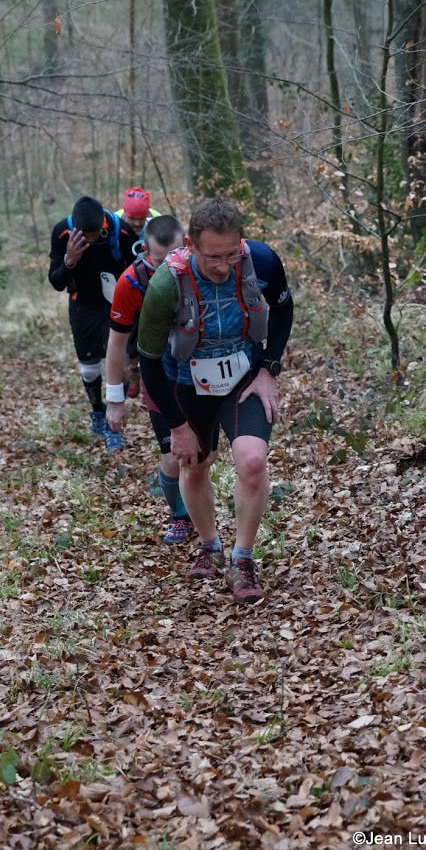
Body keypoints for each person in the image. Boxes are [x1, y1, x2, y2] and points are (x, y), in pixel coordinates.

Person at [136, 198, 294, 605]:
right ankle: (210, 545)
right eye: (212, 258)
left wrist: (269, 369)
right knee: (194, 465)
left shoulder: (261, 261)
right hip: (186, 382)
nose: (224, 267)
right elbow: (149, 360)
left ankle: (243, 559)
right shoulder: (166, 284)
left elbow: (283, 308)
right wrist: (177, 426)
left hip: (245, 377)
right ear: (190, 245)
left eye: (231, 255)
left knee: (253, 462)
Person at [105, 214, 196, 545]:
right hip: (157, 372)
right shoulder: (131, 283)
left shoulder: (203, 269)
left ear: (187, 247)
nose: (169, 267)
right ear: (144, 250)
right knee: (173, 454)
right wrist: (115, 399)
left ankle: (199, 506)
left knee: (202, 455)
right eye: (160, 261)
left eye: (176, 256)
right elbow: (115, 344)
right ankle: (180, 516)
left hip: (199, 370)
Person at [48, 195, 137, 453]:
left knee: (119, 363)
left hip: (116, 305)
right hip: (83, 307)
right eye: (84, 236)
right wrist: (69, 261)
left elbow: (138, 271)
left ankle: (113, 426)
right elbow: (56, 282)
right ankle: (97, 411)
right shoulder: (61, 232)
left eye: (94, 235)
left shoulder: (122, 231)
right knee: (89, 370)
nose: (89, 240)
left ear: (103, 225)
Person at [114, 187, 161, 396]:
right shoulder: (114, 222)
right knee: (126, 330)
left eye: (140, 219)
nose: (135, 223)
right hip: (122, 283)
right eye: (132, 218)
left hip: (151, 283)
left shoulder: (158, 221)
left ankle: (143, 373)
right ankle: (127, 372)